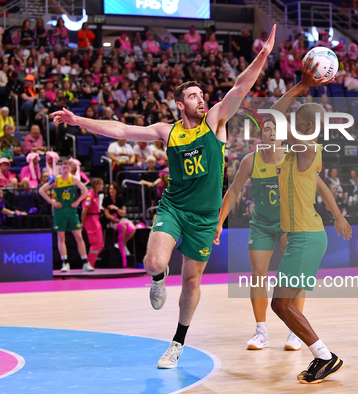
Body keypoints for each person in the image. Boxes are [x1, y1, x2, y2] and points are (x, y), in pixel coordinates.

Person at [51, 25, 278, 369]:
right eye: (193, 96)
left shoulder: (216, 120)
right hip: (174, 206)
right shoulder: (166, 131)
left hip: (205, 216)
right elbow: (121, 129)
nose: (201, 99)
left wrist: (262, 55)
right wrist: (77, 119)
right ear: (178, 104)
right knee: (154, 263)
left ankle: (177, 342)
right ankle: (157, 281)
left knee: (191, 280)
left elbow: (240, 86)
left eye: (202, 94)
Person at [252, 57, 351, 384]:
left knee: (282, 304)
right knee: (283, 304)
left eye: (298, 120)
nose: (290, 121)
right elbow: (273, 118)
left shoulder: (306, 146)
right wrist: (338, 215)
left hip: (307, 236)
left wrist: (303, 86)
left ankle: (325, 356)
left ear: (307, 126)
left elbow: (273, 116)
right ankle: (322, 356)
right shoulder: (294, 154)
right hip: (302, 236)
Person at [215, 120, 305, 350]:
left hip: (290, 222)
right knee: (258, 274)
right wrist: (219, 222)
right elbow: (233, 191)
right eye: (267, 129)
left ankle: (296, 332)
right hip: (262, 224)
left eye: (277, 130)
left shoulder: (293, 158)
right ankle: (261, 331)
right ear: (260, 136)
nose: (272, 133)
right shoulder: (250, 160)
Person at [39, 160, 92, 272]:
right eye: (64, 168)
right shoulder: (56, 180)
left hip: (71, 211)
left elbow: (85, 190)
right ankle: (65, 263)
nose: (65, 170)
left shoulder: (74, 179)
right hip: (60, 211)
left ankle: (85, 262)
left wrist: (78, 201)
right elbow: (41, 190)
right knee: (61, 237)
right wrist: (52, 202)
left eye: (67, 168)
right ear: (60, 168)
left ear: (70, 169)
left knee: (79, 236)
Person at [103, 182, 136, 267]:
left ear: (116, 190)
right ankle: (123, 245)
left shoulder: (120, 199)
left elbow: (123, 213)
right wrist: (117, 220)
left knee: (133, 228)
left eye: (113, 189)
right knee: (123, 226)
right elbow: (107, 215)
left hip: (120, 218)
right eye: (110, 189)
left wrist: (116, 208)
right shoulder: (106, 199)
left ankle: (122, 243)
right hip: (112, 220)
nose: (111, 191)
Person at [81, 178, 104, 269]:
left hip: (96, 219)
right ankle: (89, 264)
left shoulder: (96, 195)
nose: (102, 186)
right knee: (95, 243)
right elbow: (84, 211)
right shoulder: (89, 195)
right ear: (96, 185)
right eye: (101, 184)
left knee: (101, 244)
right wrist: (82, 223)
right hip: (90, 220)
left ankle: (91, 263)